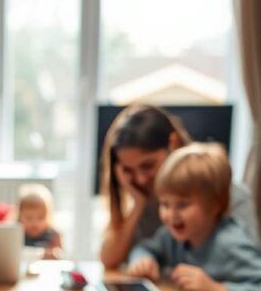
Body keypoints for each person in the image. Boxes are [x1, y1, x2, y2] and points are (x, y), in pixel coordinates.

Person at [99, 104, 258, 269]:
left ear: (173, 143)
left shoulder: (233, 197)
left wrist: (215, 288)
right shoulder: (147, 200)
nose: (139, 180)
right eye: (128, 170)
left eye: (148, 165)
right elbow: (113, 259)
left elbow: (250, 265)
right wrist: (138, 204)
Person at [127, 142, 261, 291]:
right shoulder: (171, 236)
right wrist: (142, 259)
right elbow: (146, 247)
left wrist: (219, 290)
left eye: (183, 205)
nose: (171, 215)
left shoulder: (231, 244)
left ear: (215, 205)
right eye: (165, 204)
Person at [16, 184, 63, 258]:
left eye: (40, 217)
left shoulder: (53, 235)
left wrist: (55, 253)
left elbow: (60, 254)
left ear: (48, 216)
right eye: (29, 218)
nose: (35, 223)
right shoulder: (16, 234)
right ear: (19, 216)